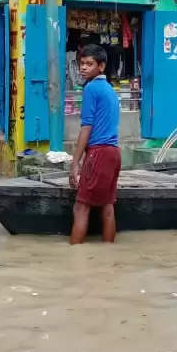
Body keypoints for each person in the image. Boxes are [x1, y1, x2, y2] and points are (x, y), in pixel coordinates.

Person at [68, 44, 120, 245]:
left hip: (98, 153)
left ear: (101, 66)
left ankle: (74, 257)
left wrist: (75, 163)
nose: (83, 68)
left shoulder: (91, 88)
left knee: (81, 208)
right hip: (114, 153)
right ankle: (108, 253)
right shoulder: (109, 89)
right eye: (82, 63)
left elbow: (86, 128)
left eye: (89, 64)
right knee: (107, 207)